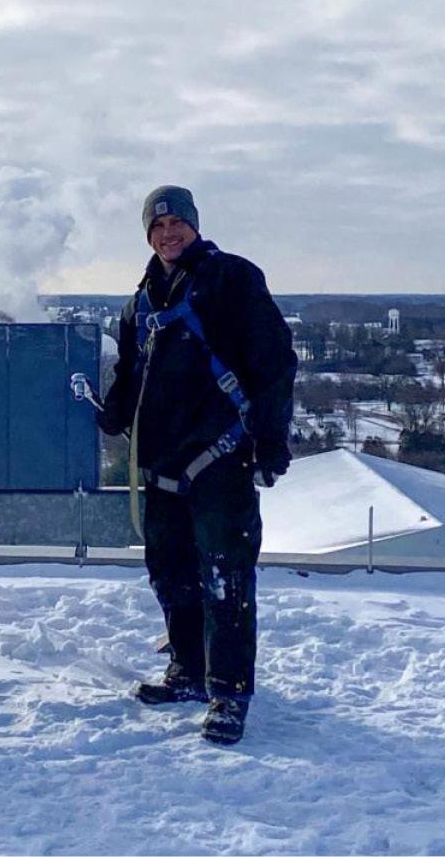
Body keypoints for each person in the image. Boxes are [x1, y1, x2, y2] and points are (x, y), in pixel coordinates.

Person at [98, 185, 296, 745]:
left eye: (177, 223)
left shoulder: (230, 279)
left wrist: (271, 438)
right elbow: (131, 370)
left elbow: (274, 359)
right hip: (163, 464)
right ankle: (187, 670)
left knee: (225, 578)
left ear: (194, 225)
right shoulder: (139, 301)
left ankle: (230, 692)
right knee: (172, 573)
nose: (168, 233)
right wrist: (115, 408)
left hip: (220, 457)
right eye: (157, 226)